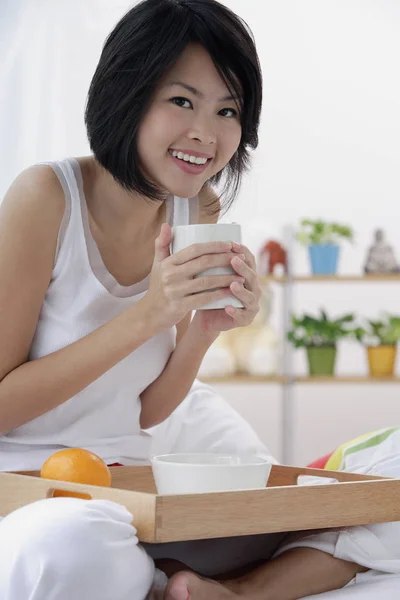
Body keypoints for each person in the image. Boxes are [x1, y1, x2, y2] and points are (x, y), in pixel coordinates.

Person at [1, 1, 398, 599]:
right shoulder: (46, 197)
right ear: (127, 93)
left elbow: (148, 410)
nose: (206, 135)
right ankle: (166, 578)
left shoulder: (197, 208)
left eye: (228, 110)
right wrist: (147, 316)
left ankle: (222, 587)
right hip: (39, 482)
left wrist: (202, 329)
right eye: (182, 101)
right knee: (72, 546)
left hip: (142, 475)